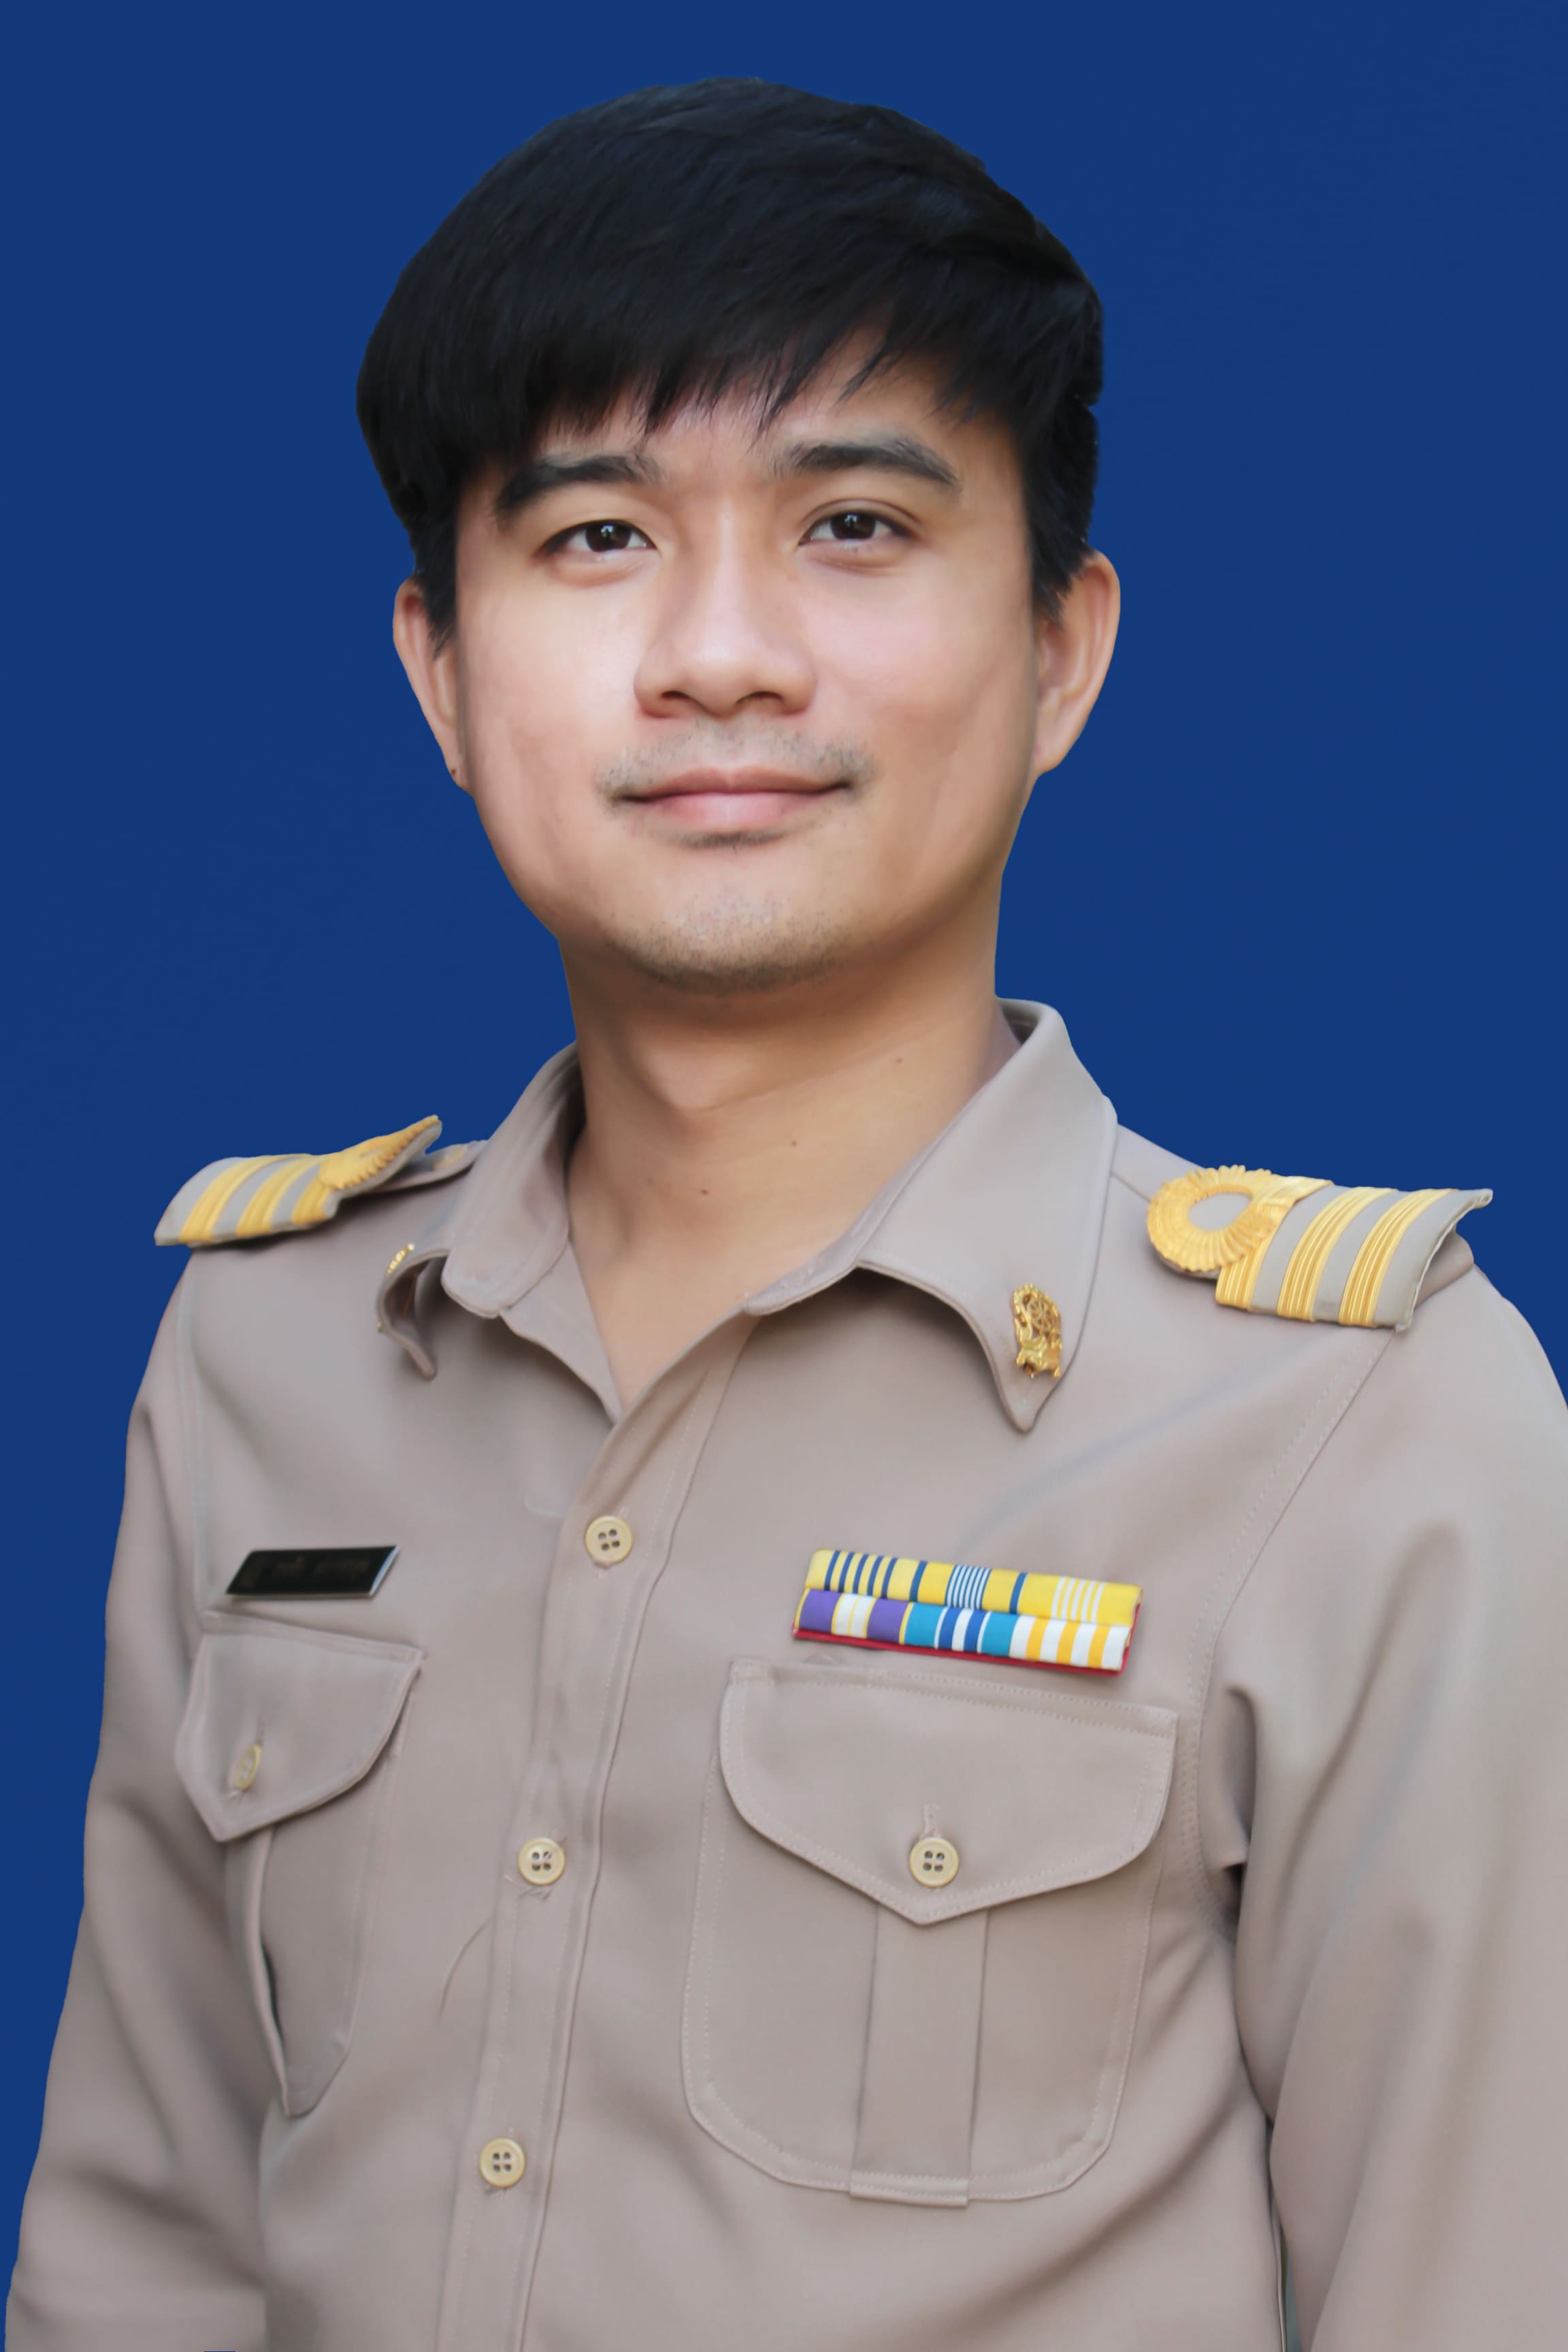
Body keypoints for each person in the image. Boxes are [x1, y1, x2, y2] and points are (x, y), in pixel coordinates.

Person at [9, 78, 1565, 2352]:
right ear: (441, 670)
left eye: (852, 523)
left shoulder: (1367, 1427)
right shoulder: (271, 1348)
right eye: (597, 536)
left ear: (1062, 648)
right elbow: (143, 2249)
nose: (721, 653)